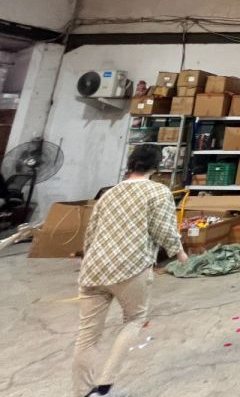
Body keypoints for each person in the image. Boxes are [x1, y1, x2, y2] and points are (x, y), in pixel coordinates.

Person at [72, 144, 188, 397]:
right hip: (130, 266)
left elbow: (91, 231)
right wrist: (178, 251)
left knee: (87, 336)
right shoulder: (157, 192)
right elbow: (163, 229)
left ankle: (82, 391)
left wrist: (86, 258)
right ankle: (105, 384)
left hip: (94, 268)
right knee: (134, 319)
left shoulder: (109, 193)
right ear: (156, 167)